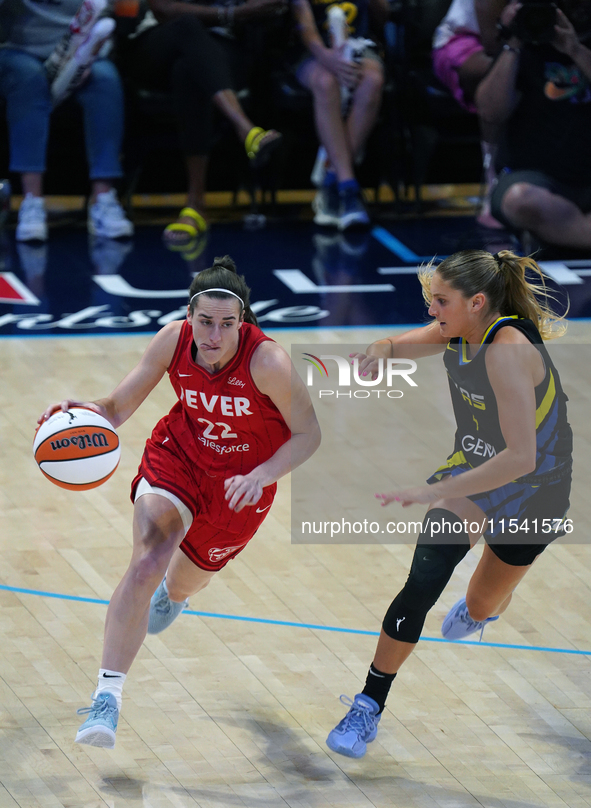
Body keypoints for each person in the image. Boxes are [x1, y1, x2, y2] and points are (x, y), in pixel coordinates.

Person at [38, 255, 321, 748]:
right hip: (179, 457)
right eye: (204, 322)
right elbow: (116, 407)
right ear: (190, 317)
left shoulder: (267, 361)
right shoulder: (173, 339)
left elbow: (309, 433)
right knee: (148, 559)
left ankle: (179, 595)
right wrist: (81, 411)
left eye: (226, 324)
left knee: (182, 582)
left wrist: (264, 473)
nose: (213, 335)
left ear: (243, 321)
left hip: (241, 484)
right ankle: (107, 698)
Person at [325, 248, 572, 758]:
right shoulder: (459, 332)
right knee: (421, 583)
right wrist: (378, 350)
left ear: (477, 302)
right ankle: (368, 705)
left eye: (440, 301)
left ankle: (482, 610)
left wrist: (432, 491)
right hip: (474, 473)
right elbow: (396, 343)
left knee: (479, 606)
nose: (431, 310)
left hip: (537, 486)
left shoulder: (508, 350)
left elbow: (521, 458)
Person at [125, 0, 286, 249]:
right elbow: (163, 9)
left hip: (223, 47)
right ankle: (246, 129)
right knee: (188, 26)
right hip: (158, 42)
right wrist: (231, 13)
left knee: (189, 71)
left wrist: (245, 13)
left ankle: (195, 205)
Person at [0, 0, 134, 242]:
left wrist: (86, 59)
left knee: (106, 79)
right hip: (20, 50)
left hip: (82, 52)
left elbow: (107, 15)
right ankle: (32, 203)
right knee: (29, 80)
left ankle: (103, 200)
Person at [478, 0, 591, 249]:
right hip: (537, 178)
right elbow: (489, 112)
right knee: (519, 200)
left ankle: (560, 235)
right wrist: (513, 41)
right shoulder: (527, 39)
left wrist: (575, 51)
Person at [291, 0, 388, 229]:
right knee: (326, 83)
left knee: (372, 81)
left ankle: (332, 179)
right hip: (310, 49)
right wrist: (328, 59)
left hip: (358, 45)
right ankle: (348, 187)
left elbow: (383, 15)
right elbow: (302, 23)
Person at [432, 0, 507, 227]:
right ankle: (494, 189)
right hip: (464, 41)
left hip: (533, 41)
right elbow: (494, 44)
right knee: (500, 78)